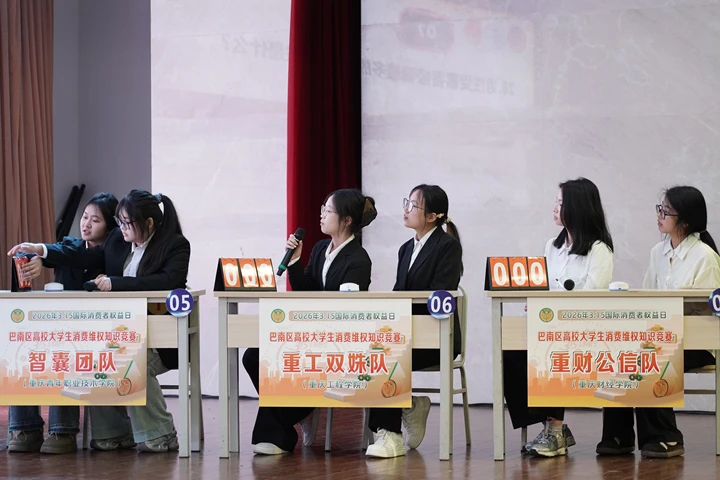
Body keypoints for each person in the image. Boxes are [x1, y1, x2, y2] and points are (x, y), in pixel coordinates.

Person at [8, 190, 190, 453]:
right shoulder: (118, 240)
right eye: (119, 222)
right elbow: (83, 255)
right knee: (95, 357)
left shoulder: (175, 245)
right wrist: (41, 250)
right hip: (121, 333)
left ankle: (161, 433)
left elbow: (167, 281)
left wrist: (115, 283)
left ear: (148, 223)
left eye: (127, 223)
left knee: (130, 361)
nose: (121, 228)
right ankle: (114, 433)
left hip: (159, 340)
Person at [242, 189, 377, 455]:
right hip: (311, 333)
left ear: (347, 219)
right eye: (322, 209)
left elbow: (346, 309)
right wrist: (294, 261)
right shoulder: (319, 249)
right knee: (253, 356)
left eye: (328, 211)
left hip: (338, 340)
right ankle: (295, 414)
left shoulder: (359, 259)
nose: (322, 215)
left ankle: (278, 432)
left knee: (292, 360)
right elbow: (305, 291)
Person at [597, 186, 719, 459]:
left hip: (697, 342)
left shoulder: (705, 257)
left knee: (650, 357)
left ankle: (666, 437)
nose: (659, 216)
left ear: (685, 220)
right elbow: (649, 297)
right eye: (659, 209)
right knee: (618, 353)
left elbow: (707, 313)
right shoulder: (658, 252)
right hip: (660, 336)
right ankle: (619, 436)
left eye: (666, 211)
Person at [5, 193, 132, 454]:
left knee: (68, 350)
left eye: (95, 220)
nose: (86, 224)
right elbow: (64, 252)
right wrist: (38, 259)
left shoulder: (113, 254)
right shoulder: (69, 245)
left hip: (98, 333)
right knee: (22, 346)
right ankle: (24, 428)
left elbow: (76, 256)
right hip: (60, 328)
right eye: (84, 217)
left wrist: (43, 253)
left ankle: (62, 430)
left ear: (110, 227)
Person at [504, 178, 614, 458]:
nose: (555, 208)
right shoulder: (551, 247)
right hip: (548, 327)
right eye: (556, 202)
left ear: (577, 207)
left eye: (561, 203)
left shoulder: (599, 250)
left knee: (550, 350)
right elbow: (541, 288)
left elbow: (594, 298)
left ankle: (555, 429)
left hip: (583, 333)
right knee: (512, 351)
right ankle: (550, 427)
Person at [365, 184, 462, 459]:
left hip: (438, 337)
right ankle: (406, 407)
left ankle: (391, 436)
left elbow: (439, 294)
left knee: (388, 352)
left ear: (432, 216)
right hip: (406, 335)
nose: (406, 209)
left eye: (413, 205)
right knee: (376, 349)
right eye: (406, 202)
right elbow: (399, 293)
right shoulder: (406, 248)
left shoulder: (448, 246)